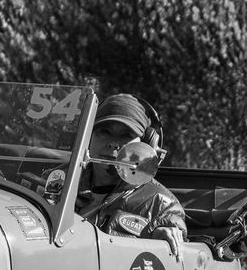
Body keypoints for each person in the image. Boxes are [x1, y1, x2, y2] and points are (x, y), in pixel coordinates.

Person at [77, 93, 187, 261]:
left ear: (146, 145)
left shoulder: (160, 202)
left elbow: (178, 244)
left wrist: (161, 236)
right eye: (104, 131)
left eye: (126, 135)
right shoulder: (61, 184)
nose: (113, 143)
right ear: (88, 137)